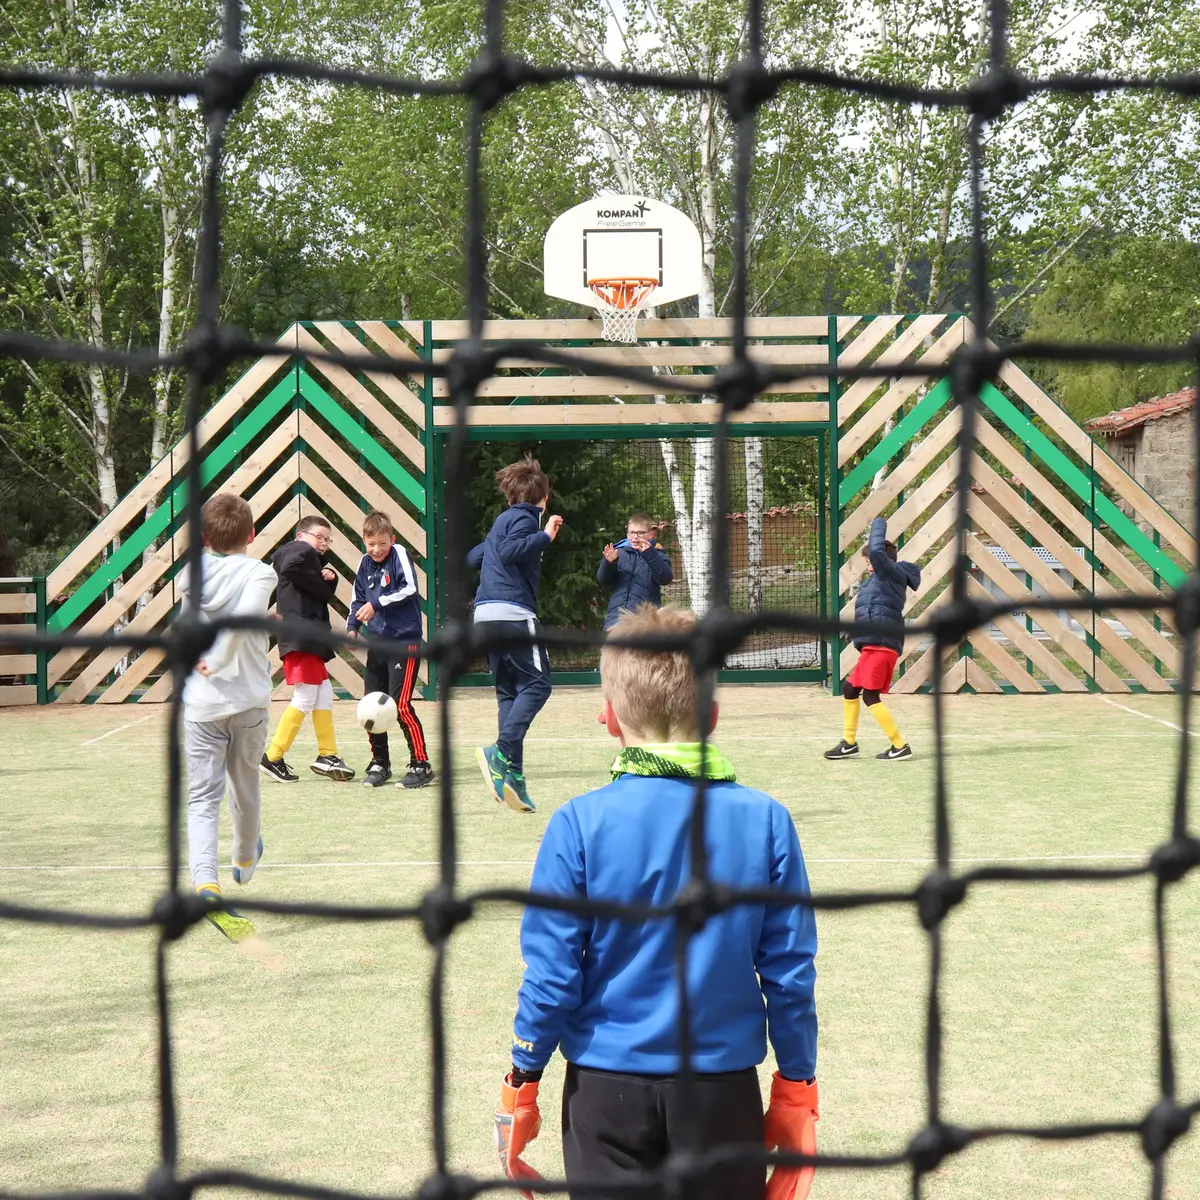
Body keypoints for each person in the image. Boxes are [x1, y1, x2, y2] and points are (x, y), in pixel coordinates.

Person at [493, 604, 819, 1200]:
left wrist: (524, 1077)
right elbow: (790, 975)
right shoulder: (768, 821)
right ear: (713, 716)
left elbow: (553, 975)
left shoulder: (577, 824)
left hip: (604, 1090)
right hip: (722, 1090)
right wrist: (798, 1086)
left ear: (609, 719)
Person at [180, 493, 277, 942]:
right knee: (245, 787)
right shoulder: (260, 572)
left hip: (201, 705)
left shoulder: (192, 575)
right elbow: (243, 622)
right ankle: (242, 860)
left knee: (202, 798)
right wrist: (219, 659)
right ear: (252, 535)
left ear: (203, 538)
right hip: (249, 703)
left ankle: (206, 885)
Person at [467, 455, 562, 814]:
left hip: (485, 615)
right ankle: (501, 752)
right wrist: (544, 536)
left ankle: (513, 777)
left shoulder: (501, 521)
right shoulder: (525, 518)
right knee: (538, 685)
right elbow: (509, 552)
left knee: (509, 693)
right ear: (544, 498)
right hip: (512, 613)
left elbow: (474, 558)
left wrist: (493, 544)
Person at [260, 514, 354, 783]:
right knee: (305, 697)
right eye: (319, 537)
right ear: (301, 536)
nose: (323, 543)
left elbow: (322, 592)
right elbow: (291, 564)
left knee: (323, 693)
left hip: (309, 638)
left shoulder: (308, 560)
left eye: (327, 539)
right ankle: (274, 757)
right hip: (301, 637)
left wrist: (328, 577)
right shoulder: (299, 550)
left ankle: (328, 754)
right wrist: (321, 575)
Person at [346, 511, 434, 789]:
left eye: (382, 543)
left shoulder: (400, 554)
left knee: (402, 704)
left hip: (404, 641)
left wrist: (378, 604)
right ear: (364, 542)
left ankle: (421, 764)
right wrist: (353, 628)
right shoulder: (364, 562)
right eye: (371, 544)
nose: (377, 549)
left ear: (392, 539)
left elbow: (409, 589)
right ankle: (380, 763)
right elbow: (358, 597)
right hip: (378, 642)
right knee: (370, 706)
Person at [825, 515, 921, 761]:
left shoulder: (890, 573)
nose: (868, 566)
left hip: (881, 645)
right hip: (874, 644)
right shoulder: (879, 580)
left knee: (869, 695)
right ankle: (849, 743)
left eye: (870, 561)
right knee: (849, 690)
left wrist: (877, 523)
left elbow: (878, 550)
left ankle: (899, 746)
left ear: (882, 560)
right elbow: (874, 609)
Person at [596, 513, 673, 631]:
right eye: (632, 532)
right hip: (616, 619)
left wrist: (650, 555)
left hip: (645, 621)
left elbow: (665, 579)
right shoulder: (618, 552)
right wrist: (609, 563)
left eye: (641, 533)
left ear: (650, 534)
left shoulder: (658, 554)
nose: (635, 537)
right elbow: (603, 580)